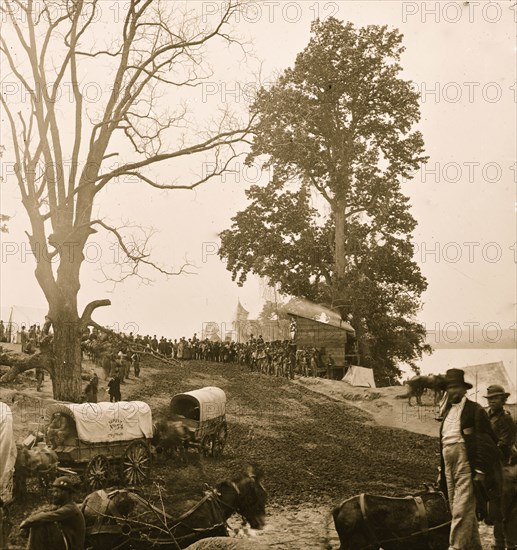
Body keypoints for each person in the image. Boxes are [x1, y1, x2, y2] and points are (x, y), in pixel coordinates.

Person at [438, 368, 504, 550]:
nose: (452, 391)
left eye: (456, 387)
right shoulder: (447, 413)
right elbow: (443, 442)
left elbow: (486, 442)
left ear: (464, 389)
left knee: (461, 508)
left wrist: (480, 470)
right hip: (448, 463)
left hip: (466, 462)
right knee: (457, 508)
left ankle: (455, 547)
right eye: (449, 387)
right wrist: (441, 470)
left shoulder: (474, 410)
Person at [484, 384, 517, 550]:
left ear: (503, 400)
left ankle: (509, 544)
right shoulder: (487, 416)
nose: (492, 402)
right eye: (490, 399)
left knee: (507, 507)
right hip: (492, 465)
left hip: (506, 466)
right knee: (496, 507)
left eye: (496, 398)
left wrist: (487, 450)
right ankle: (498, 542)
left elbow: (505, 443)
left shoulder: (506, 419)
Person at [20, 476, 85, 550]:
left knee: (41, 522)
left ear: (65, 493)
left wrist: (27, 522)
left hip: (72, 546)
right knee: (39, 519)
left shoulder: (70, 508)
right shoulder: (63, 506)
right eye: (53, 491)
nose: (54, 494)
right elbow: (43, 512)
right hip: (66, 541)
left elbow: (49, 516)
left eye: (57, 491)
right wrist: (30, 521)